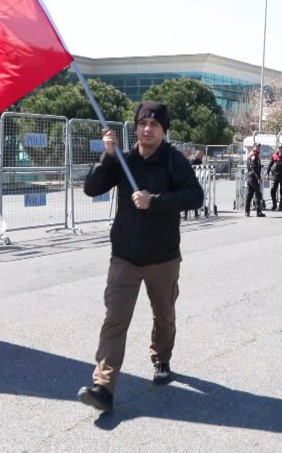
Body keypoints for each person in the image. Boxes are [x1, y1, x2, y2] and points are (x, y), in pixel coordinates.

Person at [77, 101, 205, 413]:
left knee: (164, 315)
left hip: (162, 258)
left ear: (164, 130)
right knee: (114, 320)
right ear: (135, 127)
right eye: (142, 124)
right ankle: (103, 387)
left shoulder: (174, 160)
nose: (147, 129)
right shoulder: (124, 159)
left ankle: (161, 357)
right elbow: (91, 188)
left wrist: (155, 201)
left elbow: (195, 196)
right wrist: (108, 157)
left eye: (154, 125)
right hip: (124, 257)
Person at [244, 143, 266, 217]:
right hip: (253, 177)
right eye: (257, 147)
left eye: (259, 147)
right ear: (254, 147)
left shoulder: (253, 155)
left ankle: (247, 211)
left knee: (250, 194)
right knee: (258, 194)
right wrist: (258, 178)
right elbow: (254, 168)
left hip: (251, 176)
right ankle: (258, 211)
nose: (259, 148)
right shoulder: (253, 155)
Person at [267, 145, 282, 211]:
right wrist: (267, 173)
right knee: (273, 191)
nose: (281, 149)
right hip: (275, 176)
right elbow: (270, 165)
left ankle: (281, 205)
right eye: (280, 148)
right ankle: (274, 205)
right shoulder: (274, 155)